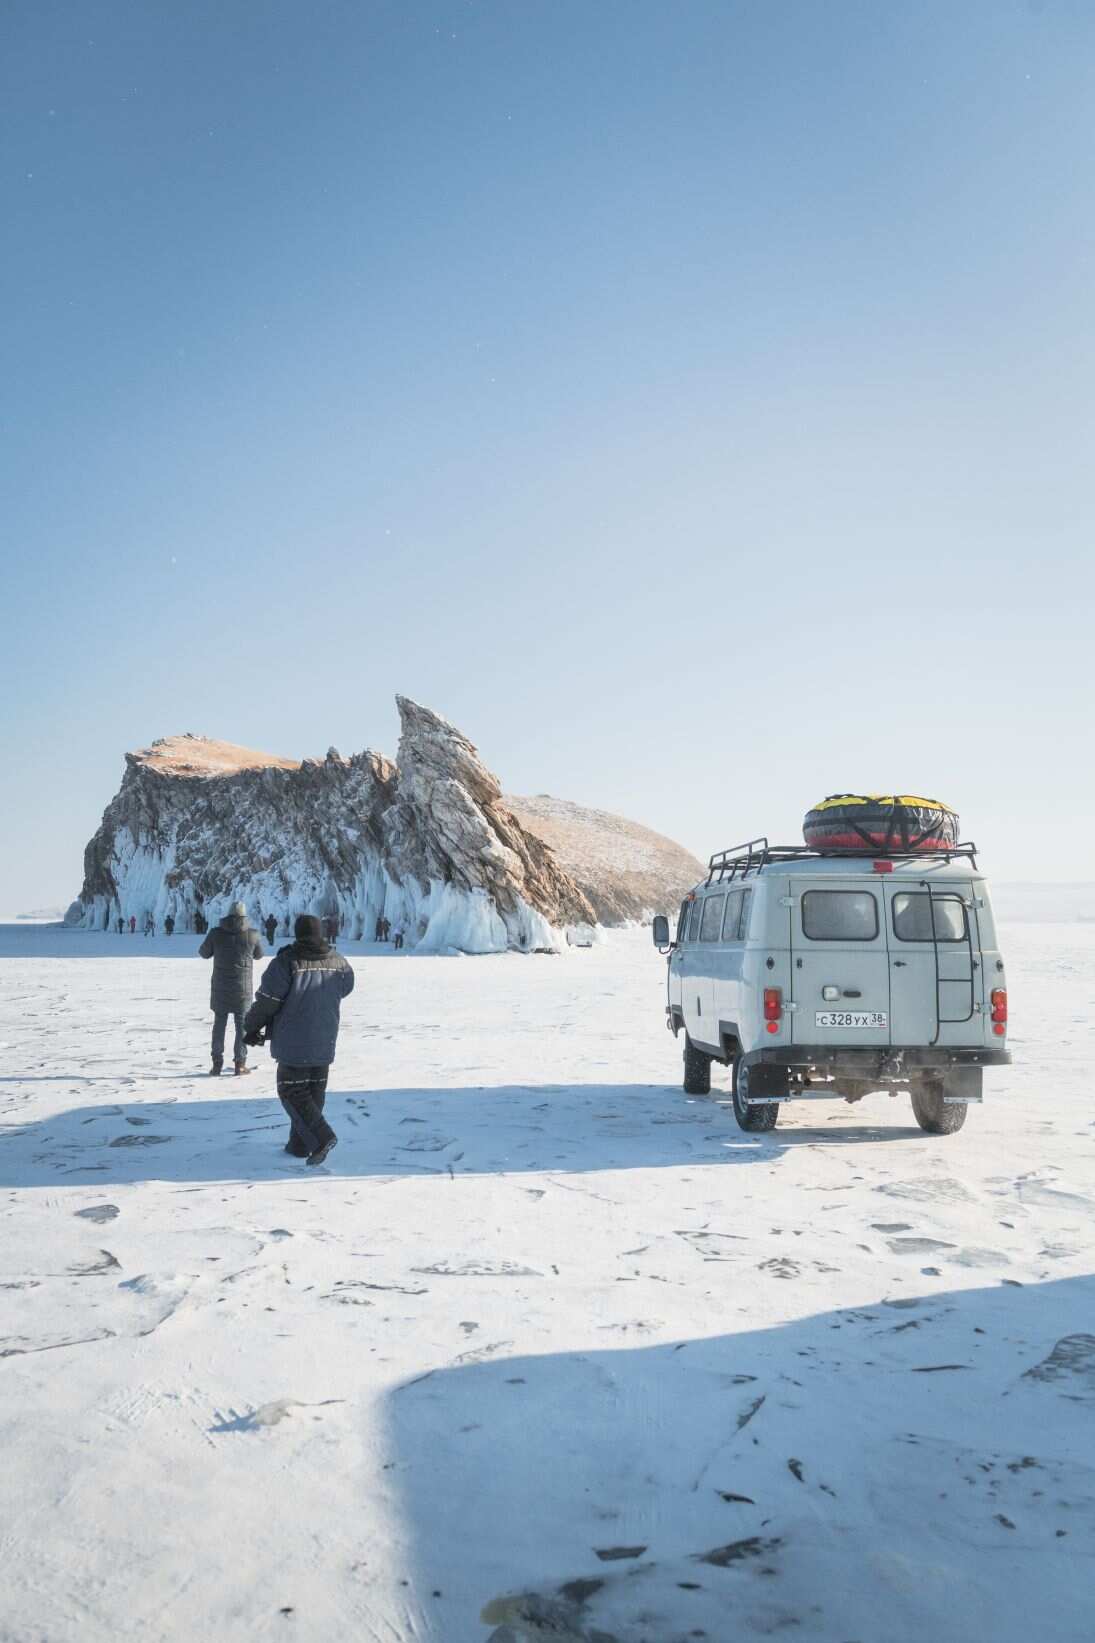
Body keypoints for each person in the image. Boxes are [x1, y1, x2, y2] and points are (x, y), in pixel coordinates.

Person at [243, 914, 354, 1166]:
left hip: (294, 1041)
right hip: (325, 1039)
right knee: (314, 1092)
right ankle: (299, 1145)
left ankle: (321, 1138)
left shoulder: (286, 962)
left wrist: (251, 1028)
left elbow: (267, 1002)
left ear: (298, 933)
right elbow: (346, 988)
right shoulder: (338, 961)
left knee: (292, 1090)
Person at [199, 901, 264, 1076]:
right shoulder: (253, 935)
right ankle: (240, 1064)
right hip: (243, 989)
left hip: (220, 987)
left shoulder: (216, 934)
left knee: (219, 1024)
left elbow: (203, 953)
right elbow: (259, 955)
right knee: (242, 1026)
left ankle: (217, 1064)